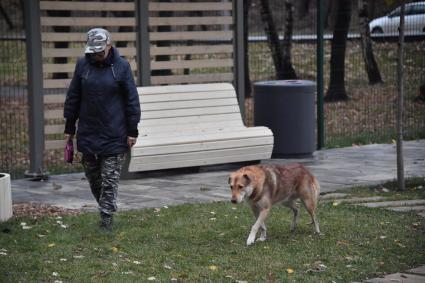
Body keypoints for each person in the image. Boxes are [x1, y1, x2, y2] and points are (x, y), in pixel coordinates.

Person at [63, 28, 141, 231]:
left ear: (109, 46)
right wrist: (70, 126)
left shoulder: (122, 66)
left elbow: (132, 100)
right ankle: (108, 207)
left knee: (109, 180)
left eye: (100, 51)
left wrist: (132, 130)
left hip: (115, 132)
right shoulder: (82, 65)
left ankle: (106, 221)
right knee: (93, 178)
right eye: (93, 51)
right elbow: (73, 96)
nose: (96, 55)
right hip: (88, 131)